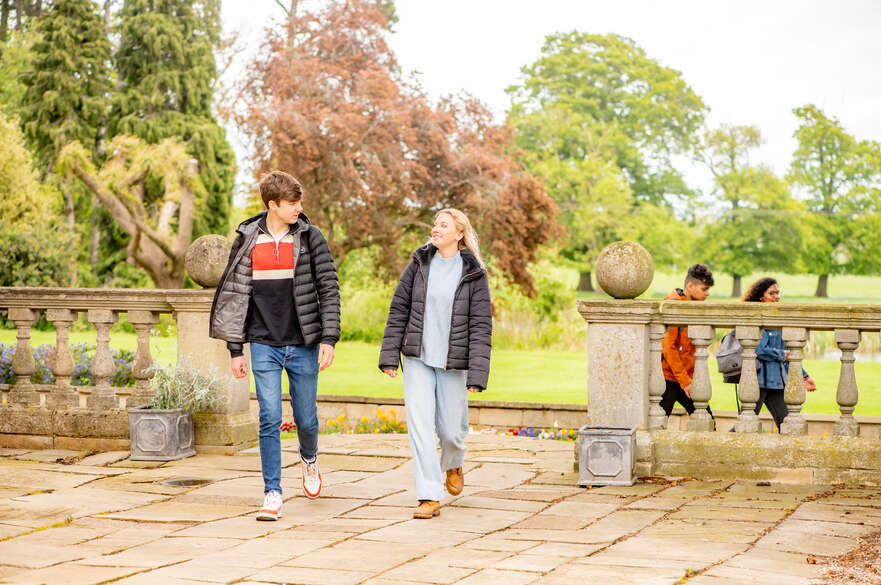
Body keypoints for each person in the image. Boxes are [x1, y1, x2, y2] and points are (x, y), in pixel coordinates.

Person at [209, 171, 340, 521]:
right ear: (272, 205)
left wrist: (328, 338)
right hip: (263, 342)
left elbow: (328, 288)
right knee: (268, 418)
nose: (299, 208)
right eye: (292, 204)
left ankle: (309, 460)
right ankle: (272, 492)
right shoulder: (248, 239)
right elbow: (236, 296)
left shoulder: (311, 238)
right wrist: (236, 350)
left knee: (306, 420)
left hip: (303, 343)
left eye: (299, 202)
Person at [378, 209, 492, 520]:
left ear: (459, 233)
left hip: (453, 363)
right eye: (435, 224)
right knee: (419, 425)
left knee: (452, 431)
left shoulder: (474, 273)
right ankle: (429, 494)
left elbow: (481, 325)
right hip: (417, 358)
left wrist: (478, 372)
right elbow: (398, 309)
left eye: (444, 225)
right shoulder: (418, 265)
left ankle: (453, 463)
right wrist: (390, 356)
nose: (436, 229)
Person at [742, 278, 816, 431]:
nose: (777, 297)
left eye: (778, 293)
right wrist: (782, 354)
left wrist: (804, 376)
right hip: (758, 382)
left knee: (788, 427)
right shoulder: (756, 318)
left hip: (777, 383)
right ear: (760, 296)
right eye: (772, 293)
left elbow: (789, 355)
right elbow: (758, 350)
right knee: (743, 425)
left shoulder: (778, 320)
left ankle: (793, 454)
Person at [661, 263, 715, 421]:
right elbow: (668, 348)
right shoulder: (674, 305)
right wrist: (685, 382)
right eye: (704, 289)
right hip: (668, 378)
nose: (708, 293)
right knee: (658, 424)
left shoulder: (694, 307)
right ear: (690, 286)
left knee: (708, 421)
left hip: (688, 377)